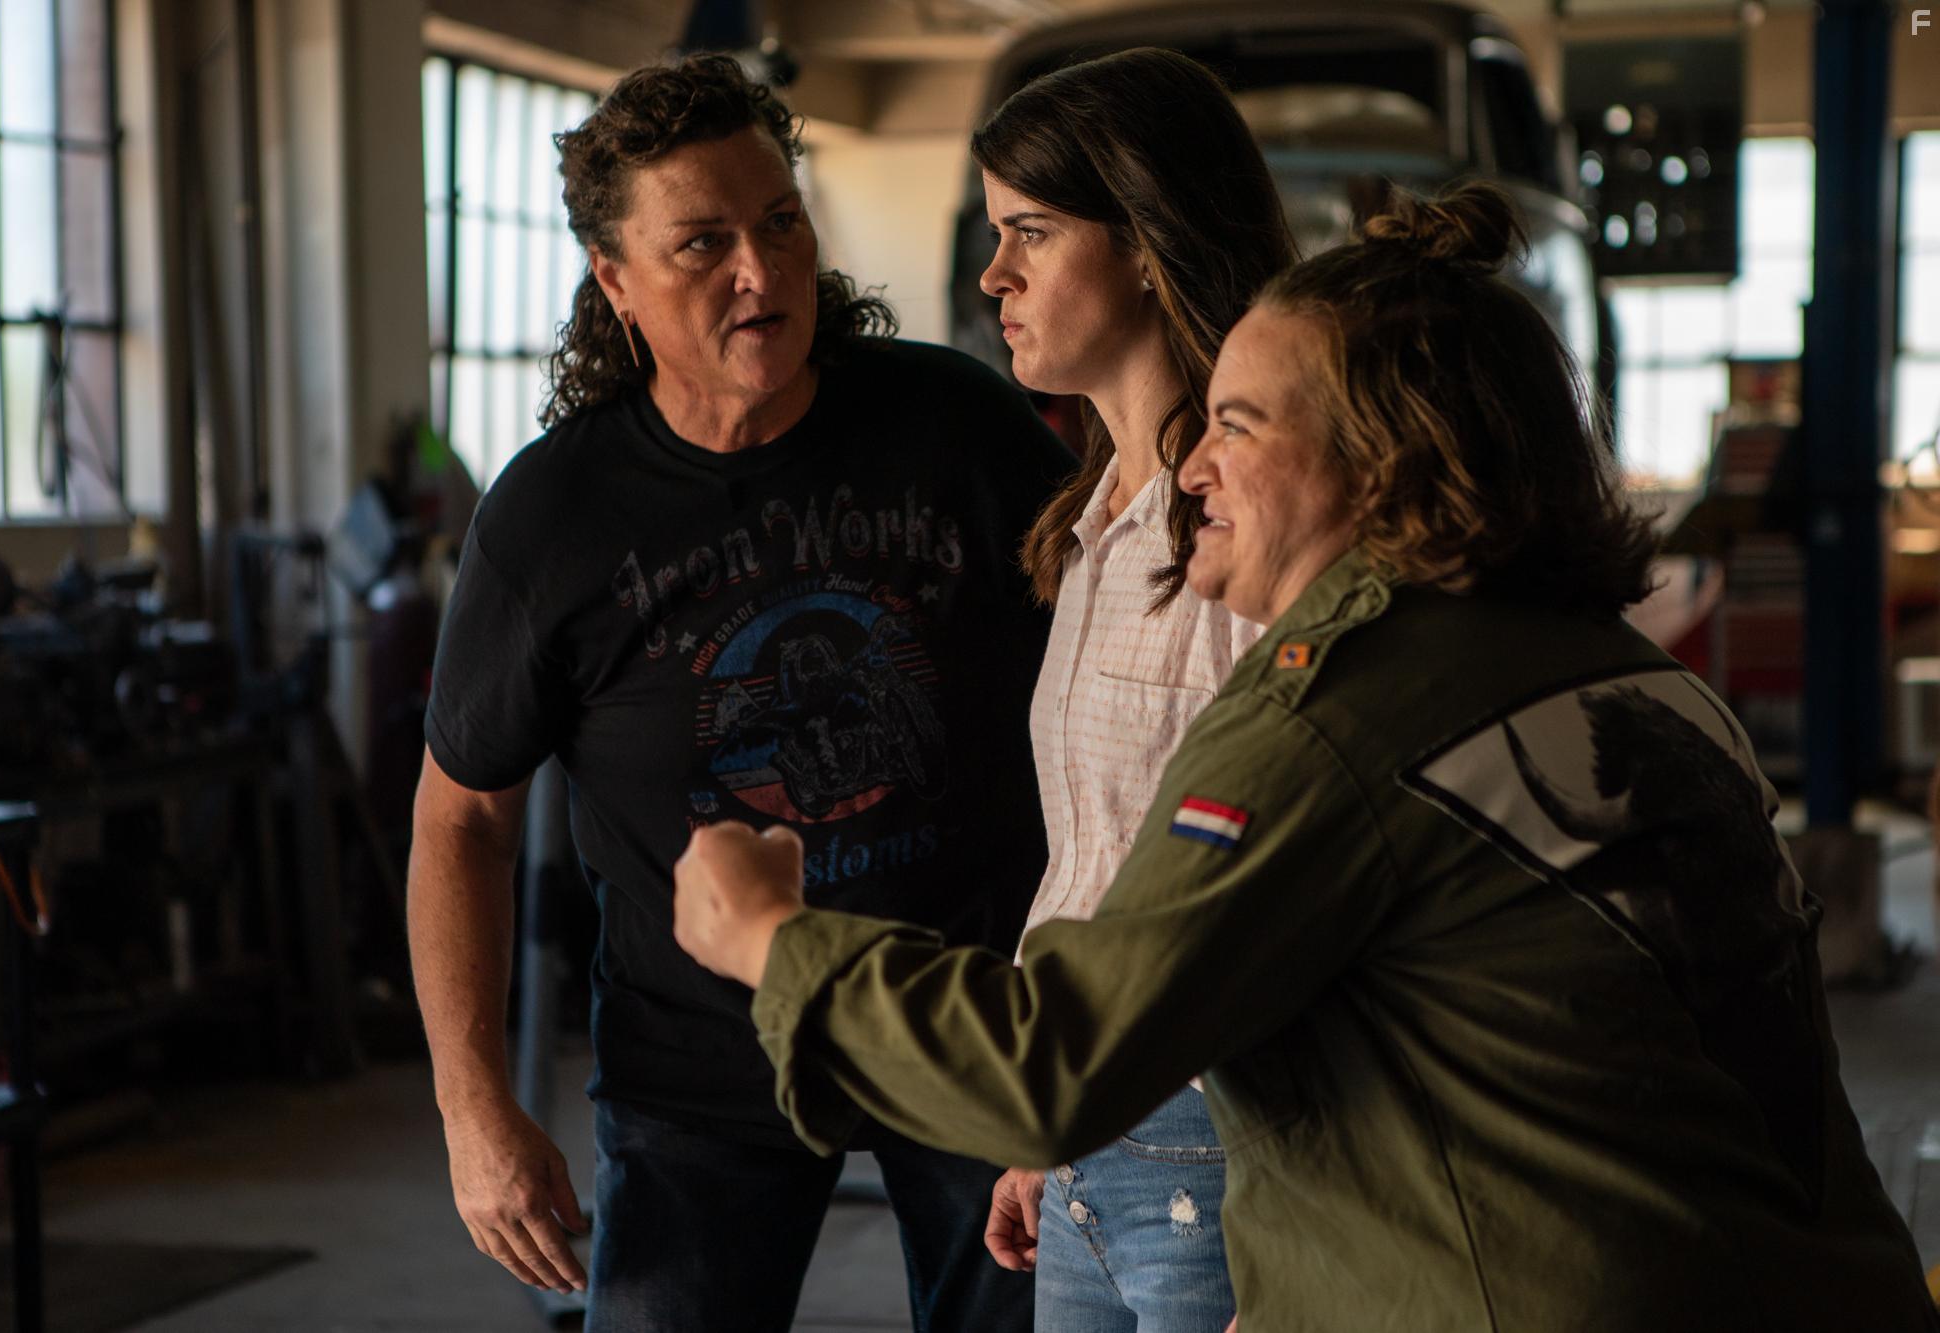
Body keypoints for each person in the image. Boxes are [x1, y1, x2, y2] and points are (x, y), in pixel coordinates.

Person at [671, 182, 1940, 1332]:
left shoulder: (1339, 709)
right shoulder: (1637, 677)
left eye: (1236, 424)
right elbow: (1520, 1067)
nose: (1196, 465)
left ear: (1382, 461)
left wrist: (771, 937)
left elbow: (1050, 1064)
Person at [408, 54, 1069, 1333]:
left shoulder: (956, 427)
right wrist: (471, 1104)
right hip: (700, 1069)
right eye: (701, 243)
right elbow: (461, 820)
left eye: (778, 221)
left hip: (970, 1028)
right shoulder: (551, 521)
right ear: (615, 281)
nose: (760, 273)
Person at [967, 47, 1294, 1332]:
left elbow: (1275, 873)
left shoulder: (1242, 519)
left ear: (1148, 242)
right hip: (1085, 1122)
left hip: (1211, 1127)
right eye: (997, 236)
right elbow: (1095, 861)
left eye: (1031, 233)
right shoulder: (1098, 520)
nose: (994, 276)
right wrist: (1036, 1133)